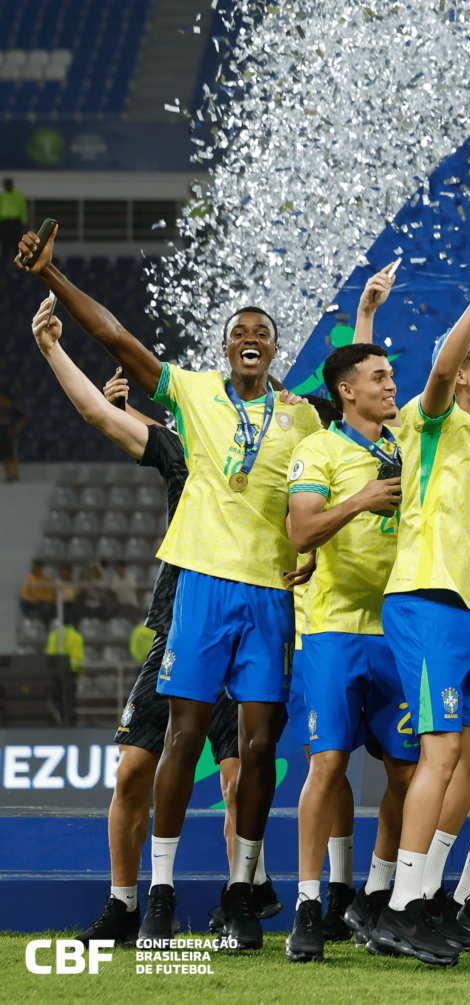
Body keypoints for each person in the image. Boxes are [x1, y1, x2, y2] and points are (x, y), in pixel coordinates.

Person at [17, 227, 320, 950]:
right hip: (195, 597)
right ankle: (144, 896)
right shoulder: (189, 418)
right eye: (238, 331)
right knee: (153, 757)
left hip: (267, 599)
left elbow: (328, 473)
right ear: (222, 349)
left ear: (277, 348)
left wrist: (315, 545)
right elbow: (114, 351)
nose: (250, 338)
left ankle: (244, 891)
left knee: (251, 759)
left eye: (262, 331)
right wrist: (53, 282)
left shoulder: (301, 416)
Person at [30, 298, 243, 949]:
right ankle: (125, 904)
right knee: (130, 772)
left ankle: (238, 902)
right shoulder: (184, 454)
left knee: (240, 779)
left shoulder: (280, 454)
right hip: (180, 629)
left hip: (249, 632)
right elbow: (99, 414)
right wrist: (51, 348)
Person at [363, 247, 470, 965]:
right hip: (426, 597)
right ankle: (400, 907)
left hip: (468, 615)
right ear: (463, 376)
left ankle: (425, 893)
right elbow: (437, 372)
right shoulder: (429, 419)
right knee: (441, 751)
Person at [280, 340, 419, 963]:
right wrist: (361, 499)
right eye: (379, 377)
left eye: (391, 376)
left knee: (409, 774)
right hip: (334, 628)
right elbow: (301, 531)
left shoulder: (408, 443)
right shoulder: (319, 450)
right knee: (329, 764)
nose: (391, 386)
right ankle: (309, 905)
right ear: (347, 391)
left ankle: (379, 895)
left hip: (399, 629)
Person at [0, 390, 26, 483]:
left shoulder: (12, 410)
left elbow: (24, 418)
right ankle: (9, 476)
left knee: (11, 457)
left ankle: (14, 476)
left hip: (9, 437)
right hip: (1, 437)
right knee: (5, 458)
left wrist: (15, 429)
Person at [0, 177, 26, 260]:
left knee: (16, 245)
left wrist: (24, 222)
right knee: (5, 246)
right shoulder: (3, 196)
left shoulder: (18, 196)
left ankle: (20, 263)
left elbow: (23, 209)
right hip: (4, 223)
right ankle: (4, 264)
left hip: (15, 222)